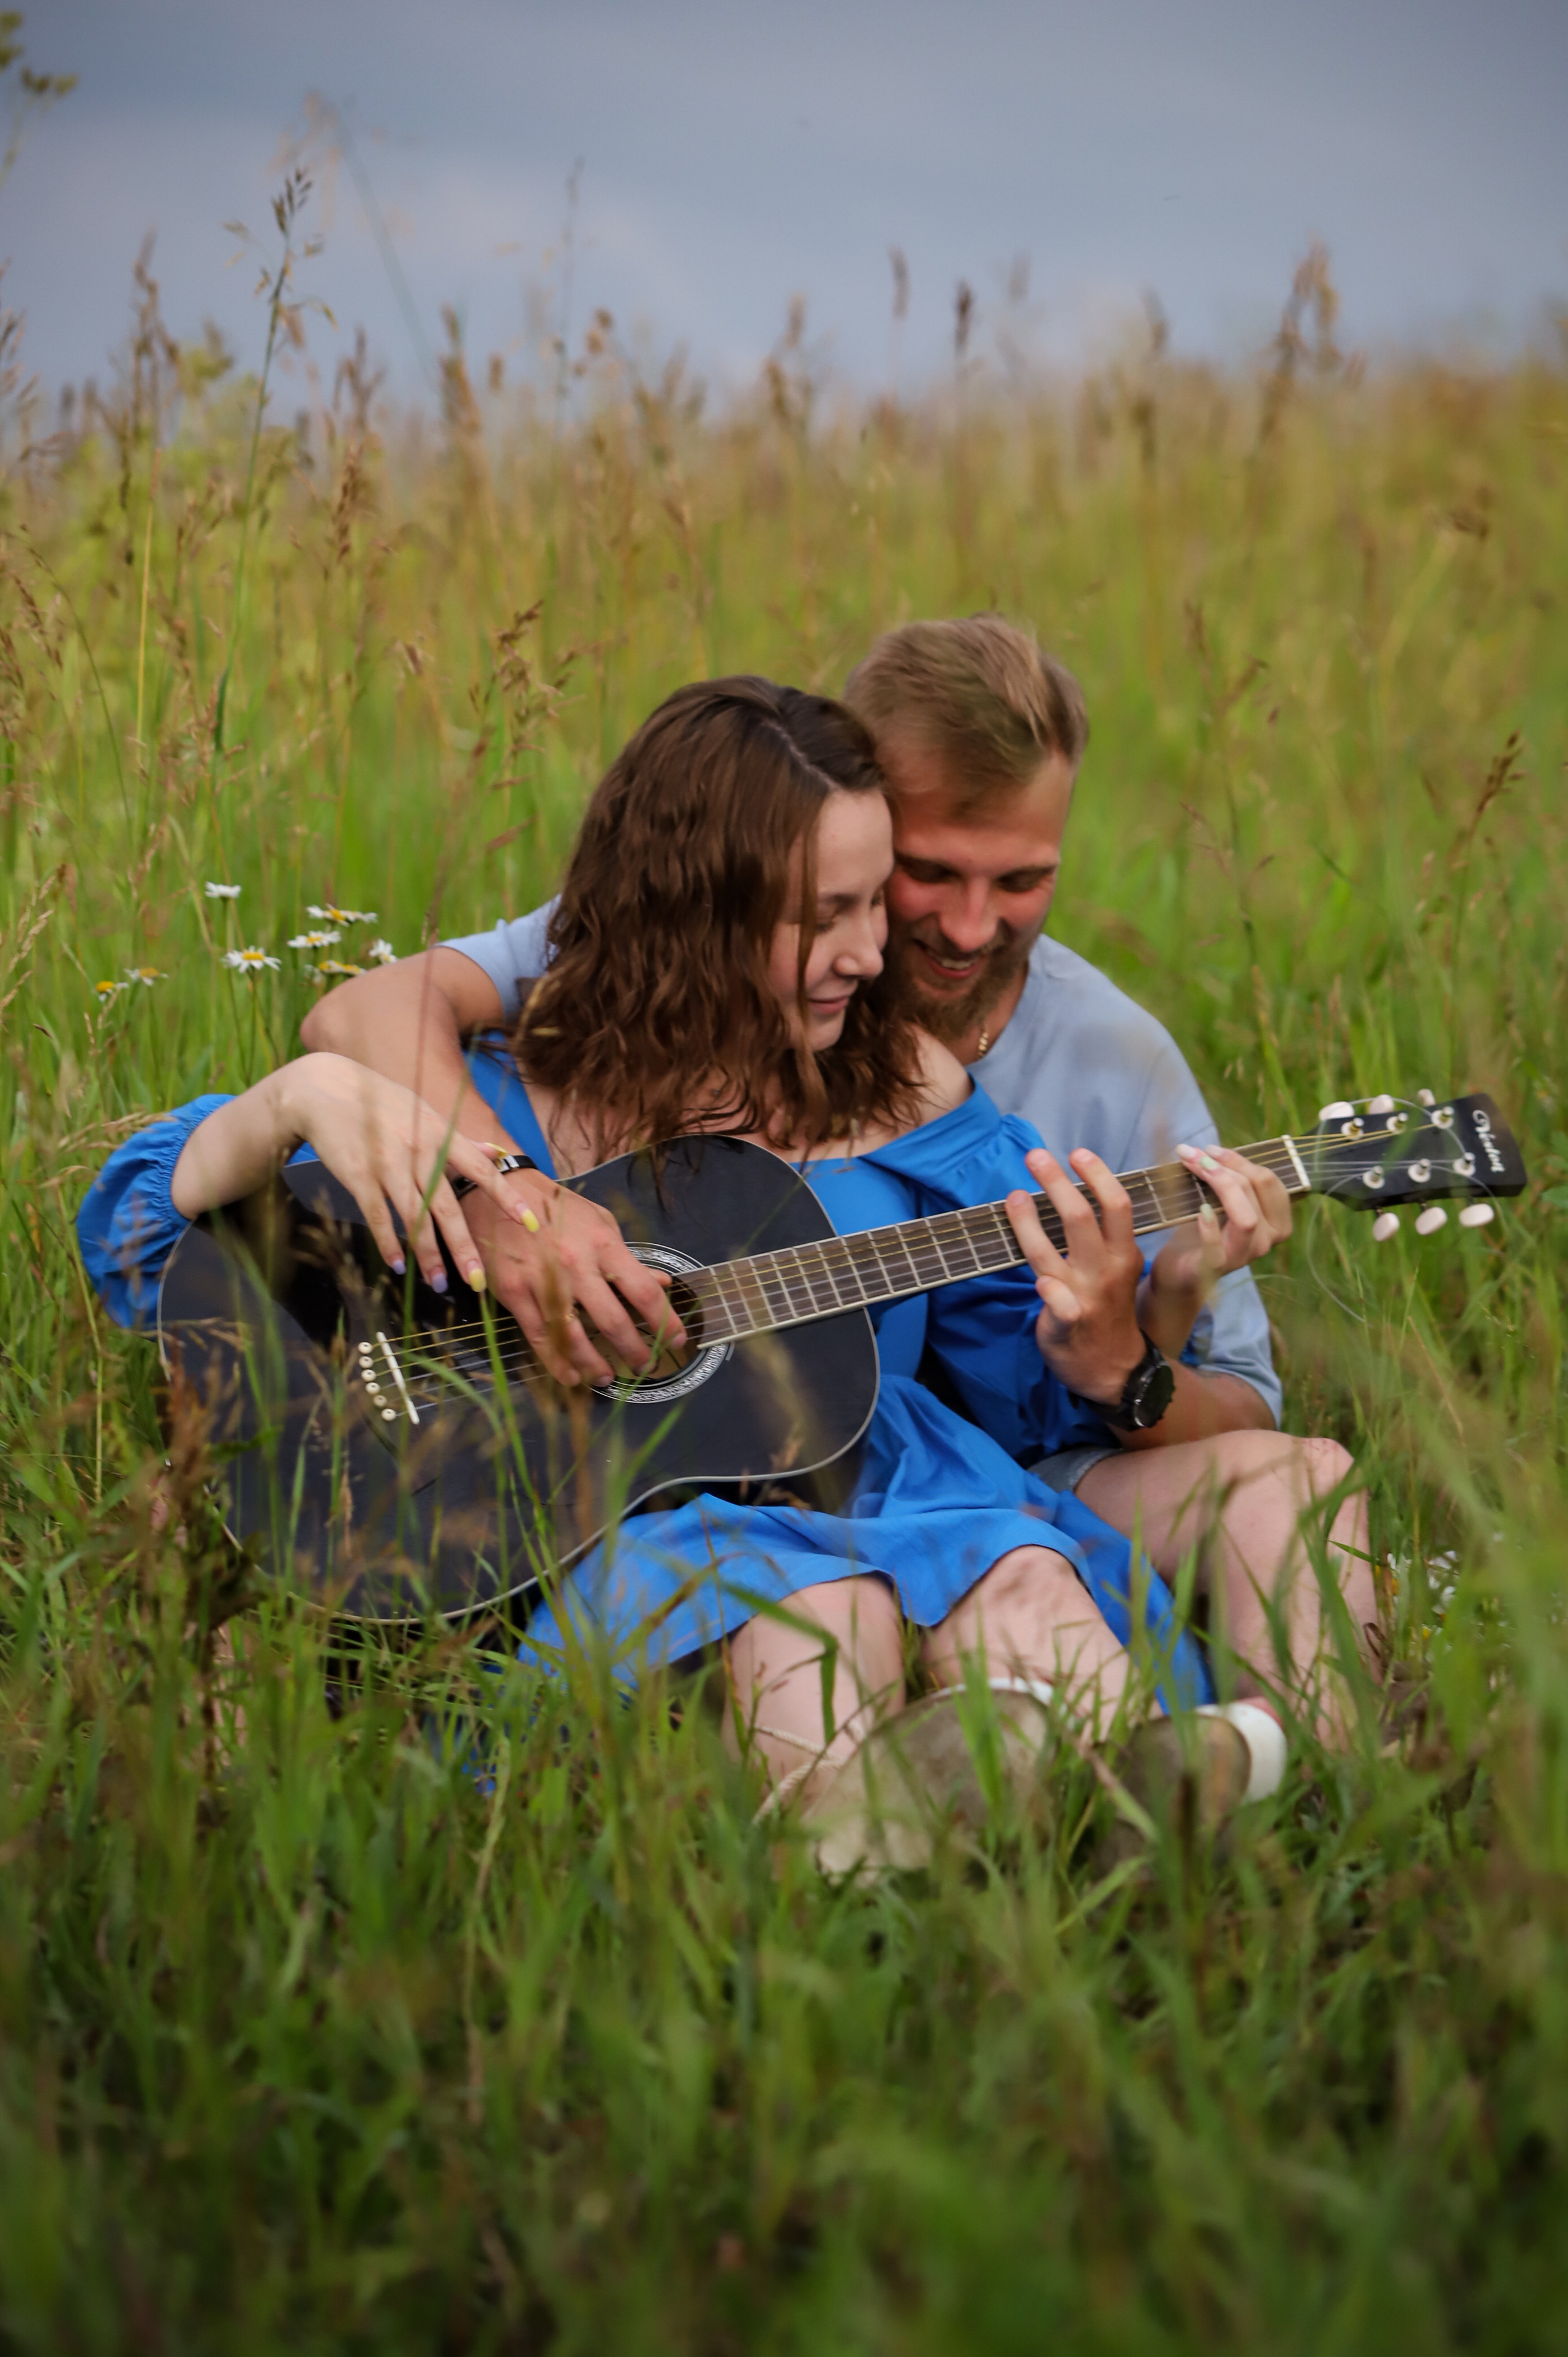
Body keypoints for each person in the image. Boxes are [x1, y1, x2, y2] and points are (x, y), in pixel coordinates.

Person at [79, 679, 1372, 1871]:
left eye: (875, 903)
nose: (875, 952)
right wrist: (342, 1119)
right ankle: (876, 1865)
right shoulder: (493, 1100)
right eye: (827, 915)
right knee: (819, 1602)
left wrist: (1136, 1313)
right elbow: (155, 1249)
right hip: (626, 1512)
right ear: (689, 911)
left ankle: (1124, 1805)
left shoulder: (912, 1103)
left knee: (1014, 1568)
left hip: (890, 1472)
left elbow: (1014, 1396)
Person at [303, 617, 1320, 1681]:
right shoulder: (639, 956)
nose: (959, 932)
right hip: (665, 1484)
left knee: (1034, 1570)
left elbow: (1158, 1390)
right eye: (918, 876)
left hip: (941, 1458)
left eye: (1020, 882)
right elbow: (370, 1020)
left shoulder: (1076, 1066)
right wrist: (511, 1199)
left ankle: (1236, 1798)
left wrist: (1152, 1319)